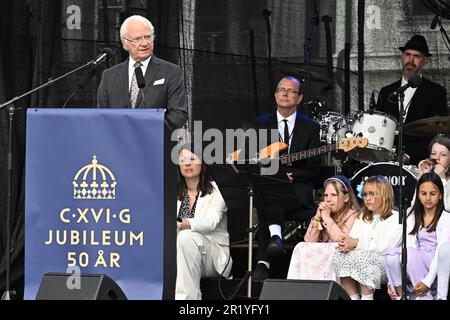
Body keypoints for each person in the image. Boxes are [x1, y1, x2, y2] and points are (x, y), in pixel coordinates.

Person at [251, 76, 321, 281]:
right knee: (271, 189)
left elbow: (314, 168)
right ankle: (275, 239)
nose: (284, 93)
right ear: (275, 95)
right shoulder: (260, 124)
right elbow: (253, 161)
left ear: (299, 98)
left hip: (298, 189)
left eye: (290, 91)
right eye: (281, 89)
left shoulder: (310, 127)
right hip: (270, 184)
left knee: (268, 201)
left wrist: (292, 175)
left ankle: (264, 259)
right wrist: (275, 173)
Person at [97, 15, 188, 130]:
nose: (144, 43)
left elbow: (178, 114)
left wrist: (149, 129)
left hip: (155, 142)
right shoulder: (109, 76)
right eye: (137, 39)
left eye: (148, 37)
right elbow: (101, 116)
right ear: (124, 42)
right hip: (118, 143)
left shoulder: (171, 72)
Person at [376, 34, 448, 165]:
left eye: (416, 56)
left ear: (425, 60)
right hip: (386, 161)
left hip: (420, 163)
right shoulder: (386, 91)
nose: (411, 60)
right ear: (402, 57)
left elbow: (437, 133)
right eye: (408, 54)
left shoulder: (436, 92)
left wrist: (409, 156)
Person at [175, 145, 232, 300]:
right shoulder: (176, 193)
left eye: (192, 159)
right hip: (182, 251)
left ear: (202, 163)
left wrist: (181, 223)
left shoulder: (216, 190)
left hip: (214, 257)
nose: (187, 164)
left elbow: (211, 222)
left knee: (185, 236)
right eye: (183, 160)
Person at [332, 176, 402, 300]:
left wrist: (356, 243)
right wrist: (346, 243)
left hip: (386, 265)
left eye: (372, 194)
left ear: (384, 195)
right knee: (339, 255)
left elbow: (387, 247)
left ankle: (367, 297)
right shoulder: (363, 216)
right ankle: (353, 297)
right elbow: (353, 238)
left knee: (363, 257)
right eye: (365, 194)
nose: (367, 198)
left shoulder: (397, 218)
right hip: (364, 261)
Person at [385, 173, 450, 300]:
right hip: (416, 259)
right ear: (418, 194)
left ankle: (425, 296)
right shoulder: (412, 216)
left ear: (440, 195)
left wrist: (427, 281)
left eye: (433, 194)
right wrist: (390, 282)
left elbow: (441, 252)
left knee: (412, 254)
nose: (427, 198)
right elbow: (409, 245)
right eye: (423, 193)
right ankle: (399, 293)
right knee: (391, 255)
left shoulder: (446, 218)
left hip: (436, 262)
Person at [287, 176, 359, 281]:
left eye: (334, 195)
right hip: (323, 262)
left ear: (346, 197)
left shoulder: (352, 215)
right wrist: (317, 218)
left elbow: (342, 241)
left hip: (343, 262)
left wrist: (327, 218)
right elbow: (309, 242)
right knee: (300, 246)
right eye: (326, 195)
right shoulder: (324, 214)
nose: (328, 199)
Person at [417, 134, 450, 211]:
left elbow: (447, 208)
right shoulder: (429, 176)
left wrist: (443, 180)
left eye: (443, 155)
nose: (437, 158)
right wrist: (423, 177)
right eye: (433, 154)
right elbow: (415, 205)